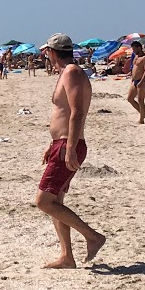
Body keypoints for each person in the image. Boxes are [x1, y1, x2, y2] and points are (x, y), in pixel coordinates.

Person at [36, 34, 105, 269]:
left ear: (53, 52)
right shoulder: (65, 73)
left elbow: (77, 112)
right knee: (56, 201)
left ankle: (93, 237)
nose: (46, 56)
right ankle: (67, 256)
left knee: (43, 201)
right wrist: (52, 143)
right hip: (62, 143)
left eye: (47, 52)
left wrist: (71, 148)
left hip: (68, 144)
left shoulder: (72, 72)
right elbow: (64, 114)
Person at [125, 39, 145, 124]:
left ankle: (141, 120)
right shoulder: (136, 56)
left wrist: (141, 81)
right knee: (130, 99)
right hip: (135, 81)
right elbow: (134, 68)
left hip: (143, 81)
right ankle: (143, 114)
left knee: (140, 100)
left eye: (134, 49)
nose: (133, 51)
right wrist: (132, 79)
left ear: (139, 48)